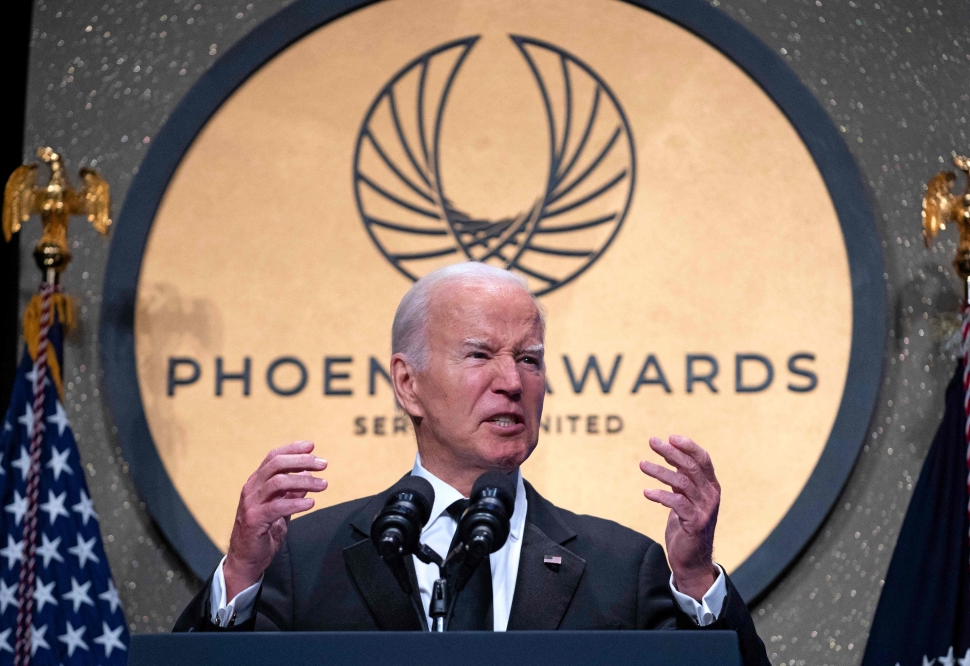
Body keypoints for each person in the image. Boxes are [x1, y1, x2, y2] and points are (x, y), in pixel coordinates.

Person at [174, 262, 769, 665]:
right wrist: (243, 575)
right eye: (480, 355)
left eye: (530, 360)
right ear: (408, 385)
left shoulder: (623, 566)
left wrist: (694, 581)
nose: (511, 382)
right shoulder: (306, 563)